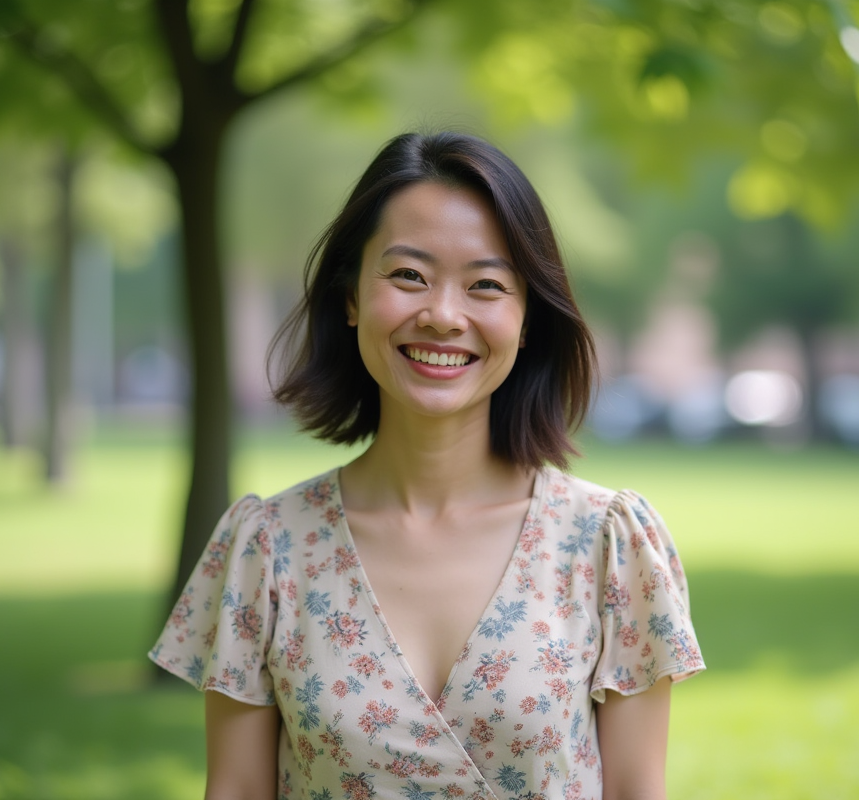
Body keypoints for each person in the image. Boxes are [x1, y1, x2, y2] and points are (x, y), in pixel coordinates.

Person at [149, 131, 705, 800]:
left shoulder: (608, 546)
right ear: (351, 297)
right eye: (408, 275)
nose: (443, 315)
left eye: (486, 285)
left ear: (527, 319)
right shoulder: (267, 550)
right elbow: (235, 791)